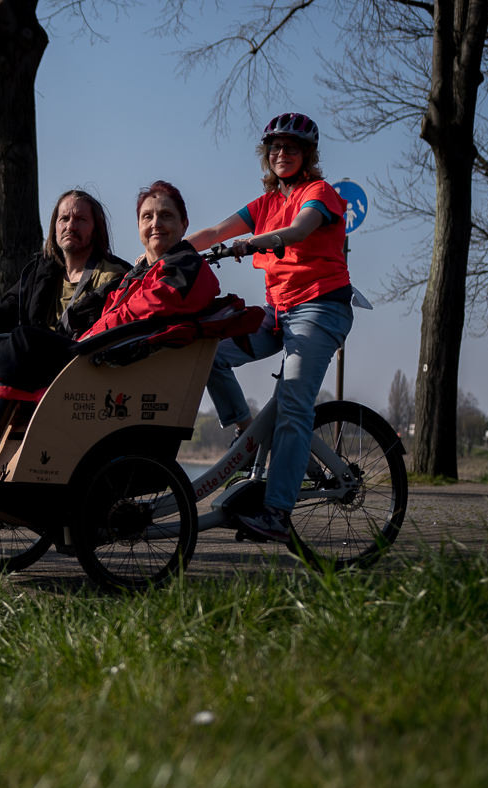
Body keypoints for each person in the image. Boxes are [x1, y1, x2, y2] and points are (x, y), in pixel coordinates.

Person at [0, 181, 219, 481]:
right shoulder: (61, 272)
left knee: (17, 340)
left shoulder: (161, 270)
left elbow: (137, 314)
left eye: (166, 216)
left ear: (184, 224)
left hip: (93, 358)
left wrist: (88, 334)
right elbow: (7, 311)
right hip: (78, 348)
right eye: (147, 217)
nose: (156, 224)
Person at [185, 112, 352, 542]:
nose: (282, 154)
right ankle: (246, 432)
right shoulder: (265, 204)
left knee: (294, 406)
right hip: (277, 311)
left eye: (292, 148)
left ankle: (276, 513)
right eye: (275, 148)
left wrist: (252, 243)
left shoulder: (320, 193)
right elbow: (215, 231)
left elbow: (298, 231)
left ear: (307, 155)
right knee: (205, 351)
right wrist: (165, 254)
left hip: (319, 309)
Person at [0, 190, 131, 447]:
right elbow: (6, 311)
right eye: (64, 219)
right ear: (54, 227)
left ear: (96, 229)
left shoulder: (113, 276)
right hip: (26, 353)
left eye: (81, 219)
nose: (71, 226)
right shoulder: (42, 271)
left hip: (73, 363)